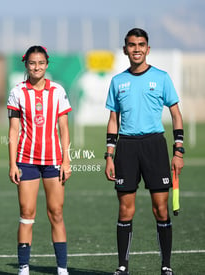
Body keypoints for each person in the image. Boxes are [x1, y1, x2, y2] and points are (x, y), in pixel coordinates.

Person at [104, 28, 184, 275]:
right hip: (126, 148)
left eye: (141, 45)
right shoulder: (118, 81)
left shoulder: (161, 77)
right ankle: (122, 266)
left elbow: (176, 114)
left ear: (148, 49)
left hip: (154, 146)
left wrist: (178, 151)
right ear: (125, 49)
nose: (136, 49)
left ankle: (166, 265)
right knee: (125, 209)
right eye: (131, 45)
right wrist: (109, 154)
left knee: (160, 208)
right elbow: (113, 119)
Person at [7, 45, 72, 275]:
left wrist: (66, 160)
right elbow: (13, 131)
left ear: (47, 64)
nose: (37, 67)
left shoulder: (57, 91)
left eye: (41, 63)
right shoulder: (17, 92)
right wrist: (12, 163)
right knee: (27, 212)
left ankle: (62, 268)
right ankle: (23, 268)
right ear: (26, 64)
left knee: (56, 212)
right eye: (32, 63)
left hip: (53, 161)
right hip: (26, 161)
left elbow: (64, 129)